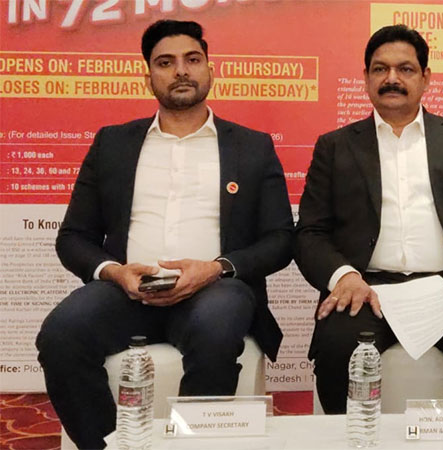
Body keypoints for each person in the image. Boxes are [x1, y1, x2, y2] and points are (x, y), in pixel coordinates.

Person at [36, 20, 293, 448]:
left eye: (192, 59)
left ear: (211, 70)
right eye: (165, 62)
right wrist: (115, 272)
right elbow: (73, 237)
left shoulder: (251, 147)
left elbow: (280, 239)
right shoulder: (112, 144)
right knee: (60, 335)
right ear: (148, 76)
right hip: (126, 292)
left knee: (216, 330)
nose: (181, 71)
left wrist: (216, 268)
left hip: (215, 290)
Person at [295, 24, 443, 414]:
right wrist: (343, 277)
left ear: (426, 78)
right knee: (337, 346)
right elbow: (310, 232)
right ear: (366, 78)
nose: (392, 79)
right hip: (366, 290)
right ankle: (353, 439)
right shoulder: (335, 146)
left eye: (406, 69)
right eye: (380, 69)